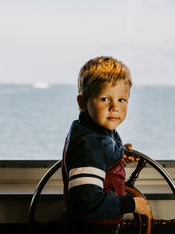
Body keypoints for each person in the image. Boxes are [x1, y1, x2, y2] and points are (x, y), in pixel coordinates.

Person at [61, 56, 152, 234]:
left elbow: (98, 161)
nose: (114, 107)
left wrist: (116, 158)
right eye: (104, 99)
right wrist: (131, 203)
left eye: (121, 100)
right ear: (82, 103)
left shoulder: (91, 131)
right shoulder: (90, 145)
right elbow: (87, 203)